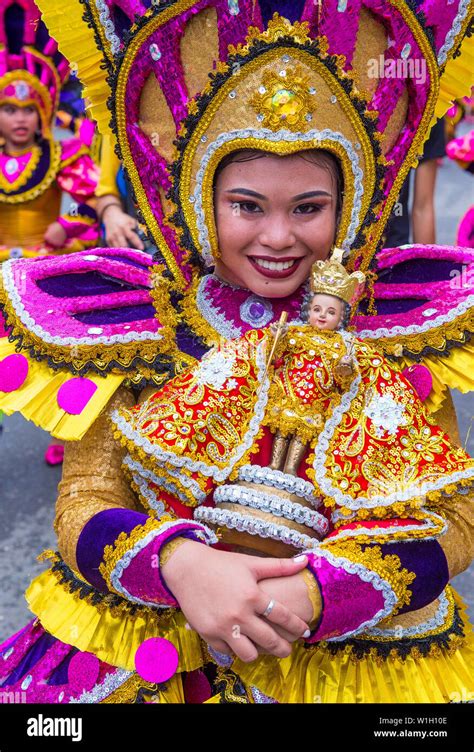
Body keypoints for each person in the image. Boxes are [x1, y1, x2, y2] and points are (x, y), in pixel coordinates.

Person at [0, 1, 473, 704]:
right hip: (159, 650)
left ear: (349, 205)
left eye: (308, 208)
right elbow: (86, 502)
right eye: (248, 206)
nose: (278, 238)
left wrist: (319, 595)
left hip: (349, 663)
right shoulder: (138, 328)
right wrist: (180, 566)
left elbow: (456, 520)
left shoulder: (397, 335)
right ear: (197, 198)